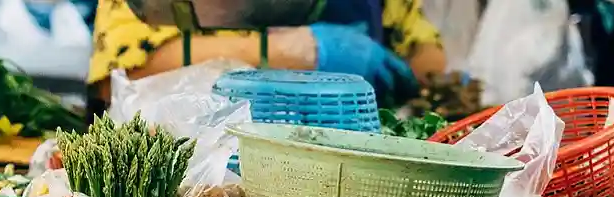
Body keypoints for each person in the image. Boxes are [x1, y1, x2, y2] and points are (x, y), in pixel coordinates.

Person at [87, 0, 447, 108]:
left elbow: (425, 57)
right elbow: (121, 75)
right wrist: (292, 52)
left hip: (350, 168)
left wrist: (430, 81)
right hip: (197, 176)